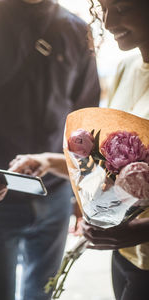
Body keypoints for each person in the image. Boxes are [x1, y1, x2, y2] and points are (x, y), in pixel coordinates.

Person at [0, 0, 100, 299]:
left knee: (42, 294)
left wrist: (80, 188)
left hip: (55, 194)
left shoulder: (77, 30)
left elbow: (85, 121)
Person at [80, 1, 149, 300]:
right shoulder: (125, 67)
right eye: (103, 7)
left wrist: (142, 230)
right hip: (124, 253)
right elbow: (116, 161)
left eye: (122, 8)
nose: (107, 23)